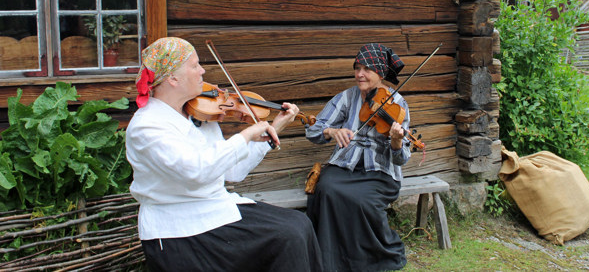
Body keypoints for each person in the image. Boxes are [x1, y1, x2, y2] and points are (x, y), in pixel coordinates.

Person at [126, 37, 322, 272]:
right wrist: (246, 135)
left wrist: (274, 128)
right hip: (179, 229)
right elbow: (197, 171)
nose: (203, 71)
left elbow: (232, 171)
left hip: (215, 212)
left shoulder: (198, 114)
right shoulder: (147, 126)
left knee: (299, 225)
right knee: (288, 235)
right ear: (172, 78)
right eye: (195, 65)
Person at [305, 43, 410, 271]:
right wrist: (332, 131)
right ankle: (330, 259)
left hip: (380, 171)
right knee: (327, 190)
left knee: (361, 201)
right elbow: (312, 130)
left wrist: (396, 141)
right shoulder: (347, 97)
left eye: (367, 69)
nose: (360, 74)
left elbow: (402, 158)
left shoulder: (398, 103)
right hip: (344, 164)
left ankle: (368, 258)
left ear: (380, 72)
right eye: (357, 68)